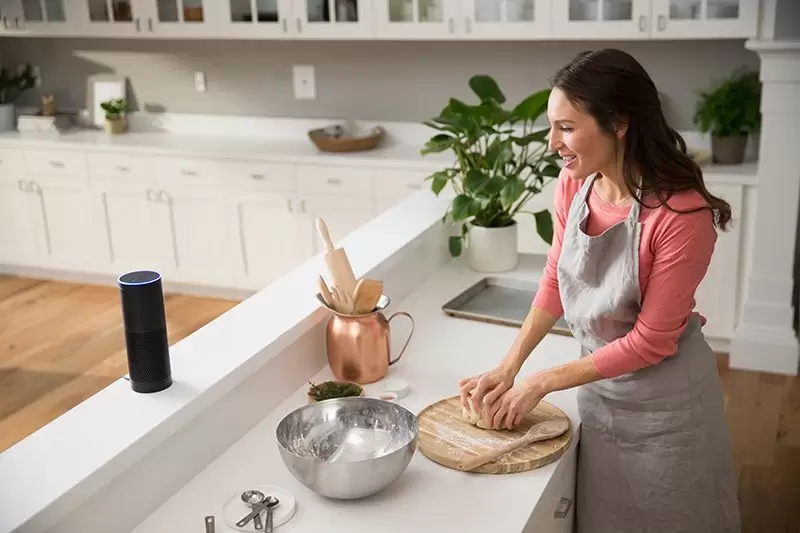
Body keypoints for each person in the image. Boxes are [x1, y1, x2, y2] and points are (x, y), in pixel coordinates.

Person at [457, 48, 741, 533]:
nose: (553, 143)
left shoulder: (681, 216)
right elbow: (554, 281)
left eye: (566, 128)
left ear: (620, 123)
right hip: (598, 395)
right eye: (552, 127)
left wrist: (541, 381)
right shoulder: (574, 185)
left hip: (666, 414)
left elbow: (652, 340)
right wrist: (508, 367)